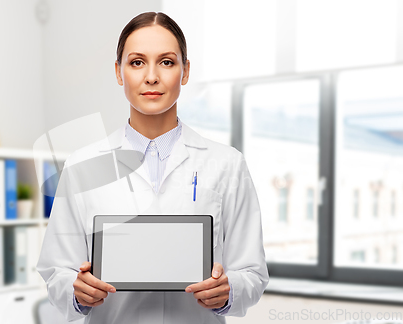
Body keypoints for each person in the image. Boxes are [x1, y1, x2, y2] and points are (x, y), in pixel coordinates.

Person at [37, 11, 269, 324]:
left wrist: (229, 291)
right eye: (136, 62)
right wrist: (76, 291)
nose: (151, 77)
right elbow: (56, 270)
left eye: (167, 62)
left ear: (185, 72)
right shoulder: (82, 166)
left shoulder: (227, 164)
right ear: (119, 72)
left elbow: (252, 272)